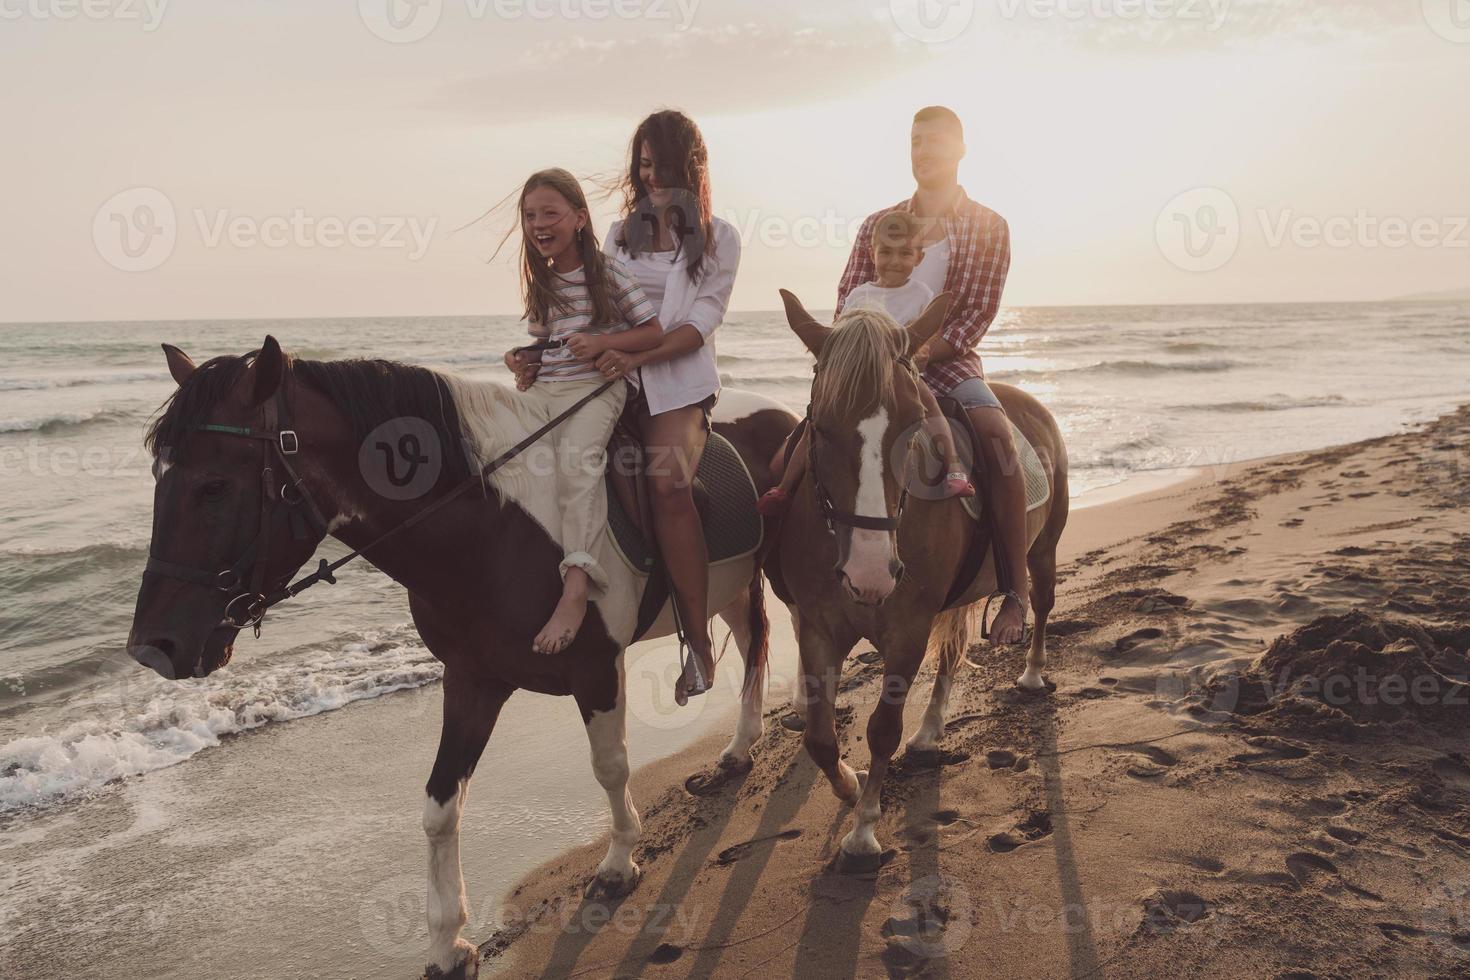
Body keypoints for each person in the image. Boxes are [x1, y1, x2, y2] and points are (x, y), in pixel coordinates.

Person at [836, 106, 1026, 645]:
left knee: (996, 437)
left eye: (936, 143)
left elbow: (977, 314)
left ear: (960, 150)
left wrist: (918, 355)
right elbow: (848, 297)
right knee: (812, 436)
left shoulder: (989, 225)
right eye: (916, 141)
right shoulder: (879, 224)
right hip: (876, 369)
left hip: (947, 363)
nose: (924, 152)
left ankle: (1015, 589)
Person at [591, 110, 741, 704]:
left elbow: (700, 324)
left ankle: (698, 641)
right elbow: (598, 312)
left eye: (662, 164)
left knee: (668, 484)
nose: (651, 176)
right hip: (613, 373)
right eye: (643, 164)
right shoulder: (617, 235)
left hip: (679, 382)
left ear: (690, 168)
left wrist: (634, 357)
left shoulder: (720, 237)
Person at [501, 168, 664, 655]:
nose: (538, 223)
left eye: (550, 213)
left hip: (597, 387)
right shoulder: (542, 283)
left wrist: (602, 342)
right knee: (501, 453)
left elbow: (653, 332)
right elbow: (543, 348)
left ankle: (576, 587)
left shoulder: (607, 272)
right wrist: (521, 362)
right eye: (530, 216)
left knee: (577, 464)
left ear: (578, 217)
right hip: (548, 390)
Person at [756, 209, 975, 516]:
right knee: (814, 422)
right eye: (885, 252)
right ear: (872, 254)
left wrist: (912, 356)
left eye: (904, 253)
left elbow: (924, 339)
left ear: (919, 258)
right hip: (859, 379)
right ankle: (785, 487)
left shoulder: (921, 294)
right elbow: (843, 338)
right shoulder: (860, 295)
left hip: (901, 375)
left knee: (928, 405)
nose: (894, 261)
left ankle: (953, 468)